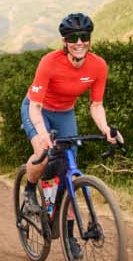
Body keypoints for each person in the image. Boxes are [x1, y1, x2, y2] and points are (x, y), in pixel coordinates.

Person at [21, 13, 124, 222]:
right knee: (43, 150)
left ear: (89, 39)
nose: (79, 42)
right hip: (38, 109)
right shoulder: (49, 62)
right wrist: (42, 134)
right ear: (64, 41)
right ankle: (30, 190)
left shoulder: (98, 66)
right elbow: (36, 106)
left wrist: (106, 129)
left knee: (69, 169)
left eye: (84, 36)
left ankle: (69, 235)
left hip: (65, 113)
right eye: (73, 37)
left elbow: (96, 105)